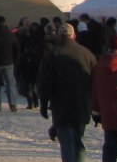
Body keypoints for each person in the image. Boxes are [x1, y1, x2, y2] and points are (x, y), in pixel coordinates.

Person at [40, 22, 97, 162]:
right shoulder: (86, 53)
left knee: (67, 144)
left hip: (61, 106)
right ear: (74, 35)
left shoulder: (52, 54)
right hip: (82, 104)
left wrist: (43, 103)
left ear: (59, 36)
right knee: (78, 143)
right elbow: (96, 81)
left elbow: (45, 82)